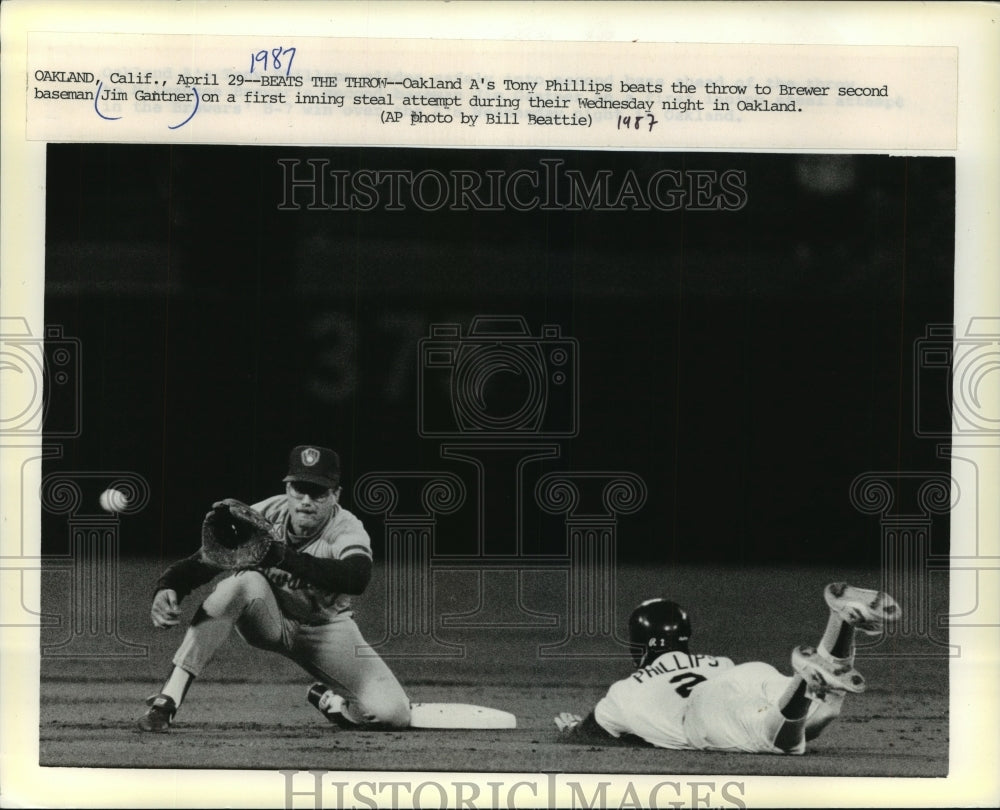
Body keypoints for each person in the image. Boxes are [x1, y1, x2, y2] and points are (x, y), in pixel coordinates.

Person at [137, 444, 411, 732]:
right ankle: (167, 700)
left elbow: (356, 577)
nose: (306, 500)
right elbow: (208, 559)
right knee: (242, 582)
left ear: (336, 495)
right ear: (288, 488)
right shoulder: (264, 515)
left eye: (317, 492)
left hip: (326, 629)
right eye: (299, 489)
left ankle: (329, 700)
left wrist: (283, 557)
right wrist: (170, 585)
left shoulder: (346, 529)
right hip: (268, 617)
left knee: (394, 715)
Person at [553, 583, 900, 754]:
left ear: (638, 645)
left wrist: (572, 729)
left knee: (778, 741)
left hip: (702, 711)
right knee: (820, 714)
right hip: (746, 673)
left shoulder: (622, 691)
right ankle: (841, 621)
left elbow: (589, 734)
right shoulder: (717, 661)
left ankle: (805, 678)